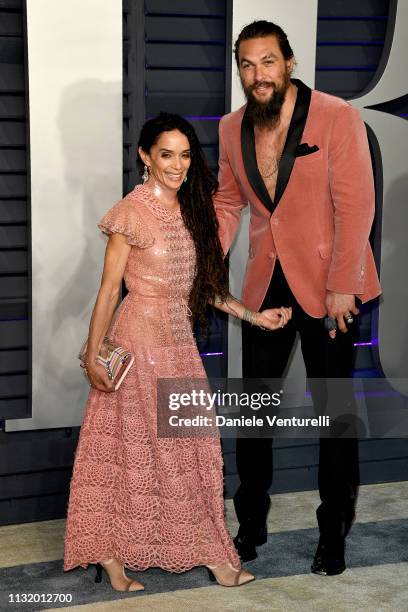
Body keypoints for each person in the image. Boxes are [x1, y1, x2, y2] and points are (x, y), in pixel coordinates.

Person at [63, 112, 292, 592]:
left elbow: (202, 286)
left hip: (178, 346)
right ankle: (109, 554)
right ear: (145, 156)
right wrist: (92, 357)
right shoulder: (130, 212)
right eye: (166, 154)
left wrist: (255, 316)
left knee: (195, 451)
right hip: (137, 344)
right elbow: (108, 291)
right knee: (124, 452)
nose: (178, 165)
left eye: (185, 155)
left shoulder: (193, 209)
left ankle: (211, 551)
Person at [214, 20, 381, 575]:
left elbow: (357, 207)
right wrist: (201, 258)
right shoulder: (230, 127)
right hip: (266, 286)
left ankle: (333, 533)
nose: (257, 75)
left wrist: (342, 285)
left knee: (334, 415)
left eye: (267, 62)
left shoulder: (336, 115)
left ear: (288, 63)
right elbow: (227, 199)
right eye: (246, 64)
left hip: (332, 285)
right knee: (254, 411)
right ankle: (250, 525)